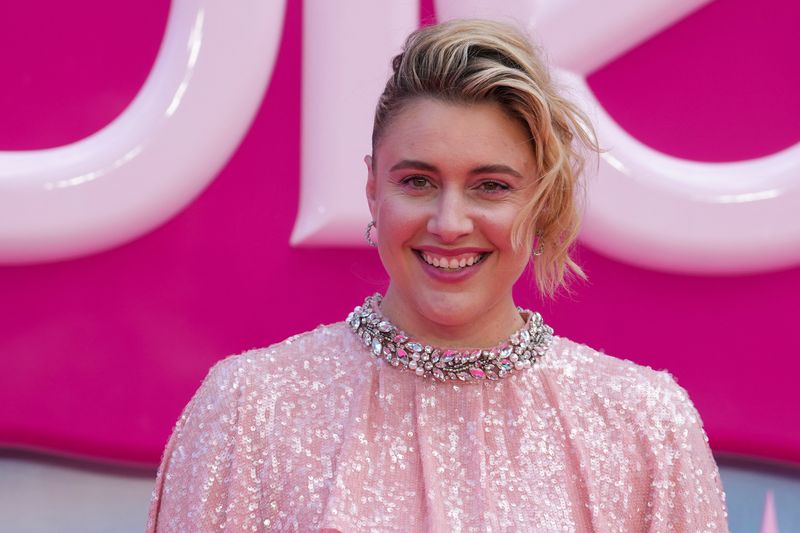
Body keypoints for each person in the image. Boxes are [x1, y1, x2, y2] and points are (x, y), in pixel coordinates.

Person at [147, 19, 728, 532]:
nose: (450, 223)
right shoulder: (251, 408)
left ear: (543, 203)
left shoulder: (643, 422)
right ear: (373, 190)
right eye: (418, 182)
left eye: (491, 186)